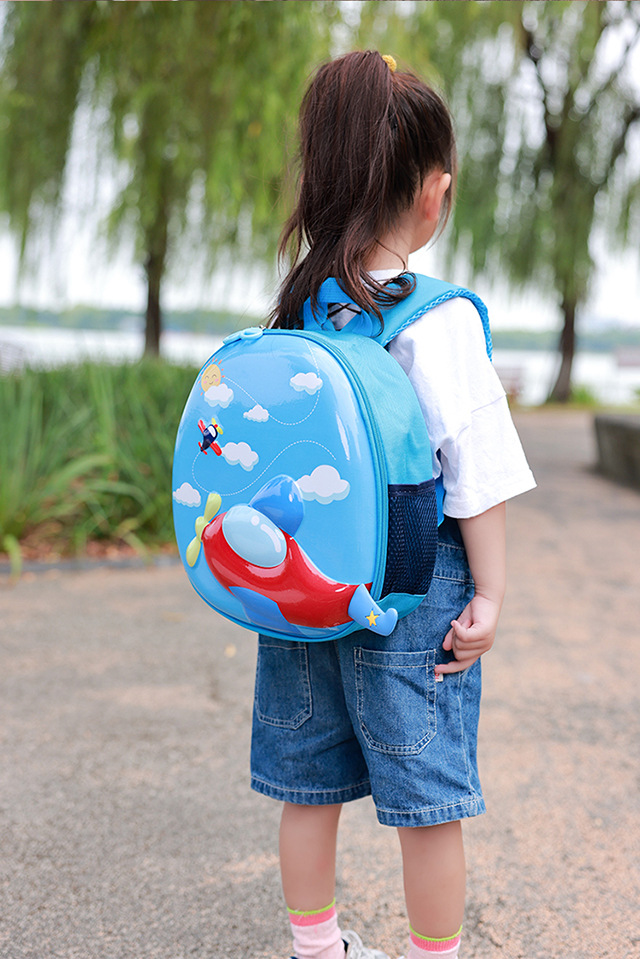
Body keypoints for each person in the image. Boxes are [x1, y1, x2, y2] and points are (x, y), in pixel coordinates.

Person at [250, 51, 536, 959]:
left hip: (302, 594)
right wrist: (488, 595)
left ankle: (317, 947)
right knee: (430, 803)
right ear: (433, 193)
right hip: (410, 599)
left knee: (307, 788)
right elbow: (476, 474)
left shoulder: (298, 311)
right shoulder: (435, 319)